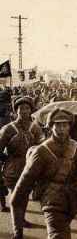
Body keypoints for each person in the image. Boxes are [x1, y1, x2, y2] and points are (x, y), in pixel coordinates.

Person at [10, 108, 77, 239]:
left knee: (61, 231)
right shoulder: (42, 151)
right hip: (51, 200)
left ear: (69, 126)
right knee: (59, 234)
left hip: (72, 199)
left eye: (65, 125)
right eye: (57, 125)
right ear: (51, 127)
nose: (61, 129)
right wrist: (18, 229)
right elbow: (25, 182)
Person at [0, 96, 44, 225]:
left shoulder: (35, 128)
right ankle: (17, 228)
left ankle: (21, 219)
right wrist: (7, 159)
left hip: (30, 167)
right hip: (13, 168)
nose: (24, 111)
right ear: (16, 111)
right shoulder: (8, 129)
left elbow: (41, 146)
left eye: (27, 108)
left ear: (31, 110)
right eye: (20, 108)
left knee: (24, 196)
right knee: (16, 197)